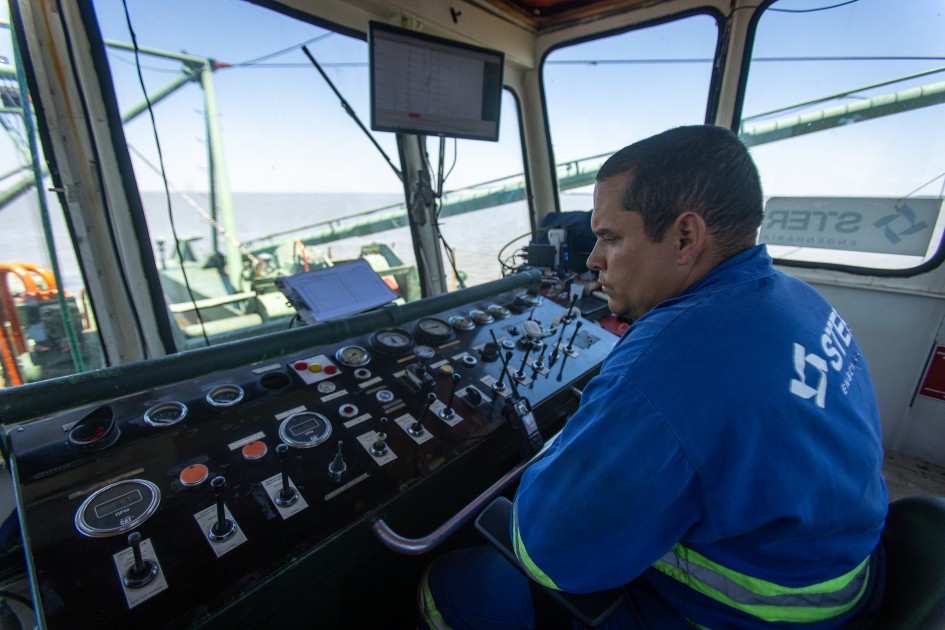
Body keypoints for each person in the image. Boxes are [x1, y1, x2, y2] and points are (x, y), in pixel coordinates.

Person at [418, 125, 888, 629]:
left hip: (755, 614)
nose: (594, 259)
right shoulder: (795, 297)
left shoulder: (670, 363)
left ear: (684, 237)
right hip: (849, 571)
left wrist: (577, 441)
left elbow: (549, 555)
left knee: (458, 584)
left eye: (609, 237)